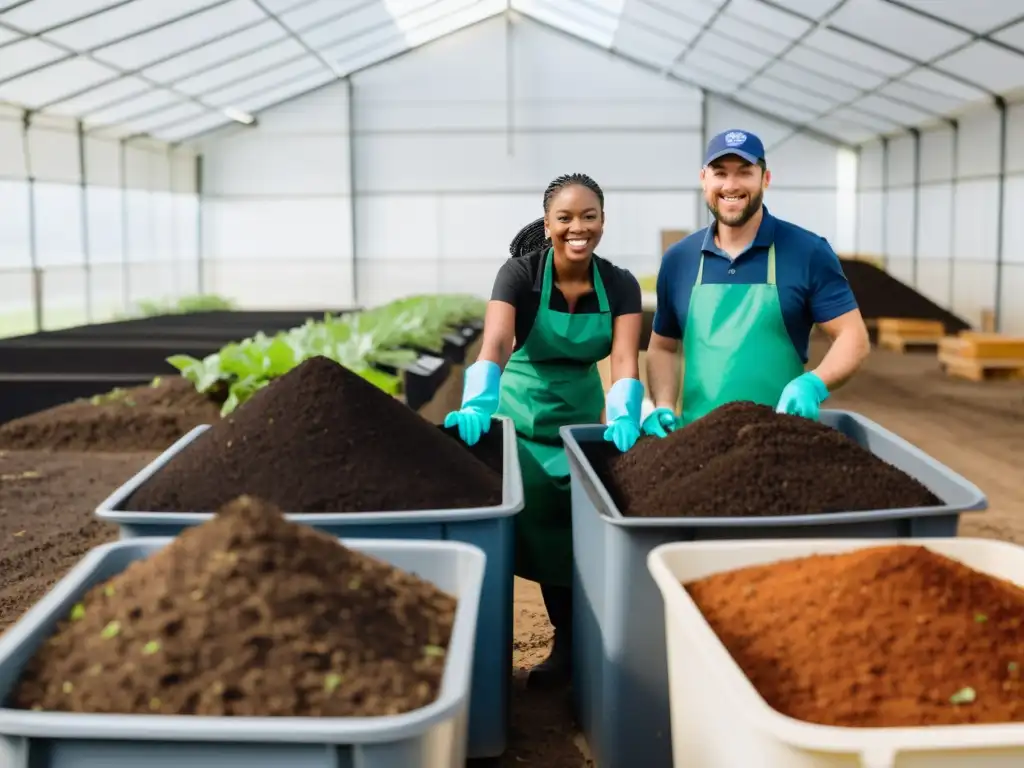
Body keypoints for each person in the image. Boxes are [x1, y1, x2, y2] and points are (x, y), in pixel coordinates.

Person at [445, 172, 644, 688]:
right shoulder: (520, 275)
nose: (578, 227)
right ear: (548, 222)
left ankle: (571, 648)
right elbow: (495, 345)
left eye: (589, 216)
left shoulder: (620, 283)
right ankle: (489, 651)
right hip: (520, 422)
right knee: (514, 535)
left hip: (580, 424)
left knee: (573, 542)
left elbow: (624, 358)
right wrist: (477, 404)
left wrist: (625, 414)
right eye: (565, 217)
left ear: (603, 220)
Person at [643, 129, 870, 435]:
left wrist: (813, 384)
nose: (731, 185)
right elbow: (663, 348)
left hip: (781, 443)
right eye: (720, 173)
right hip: (696, 446)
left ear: (765, 179)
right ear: (703, 180)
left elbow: (852, 336)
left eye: (744, 173)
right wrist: (664, 406)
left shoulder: (808, 252)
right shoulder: (679, 260)